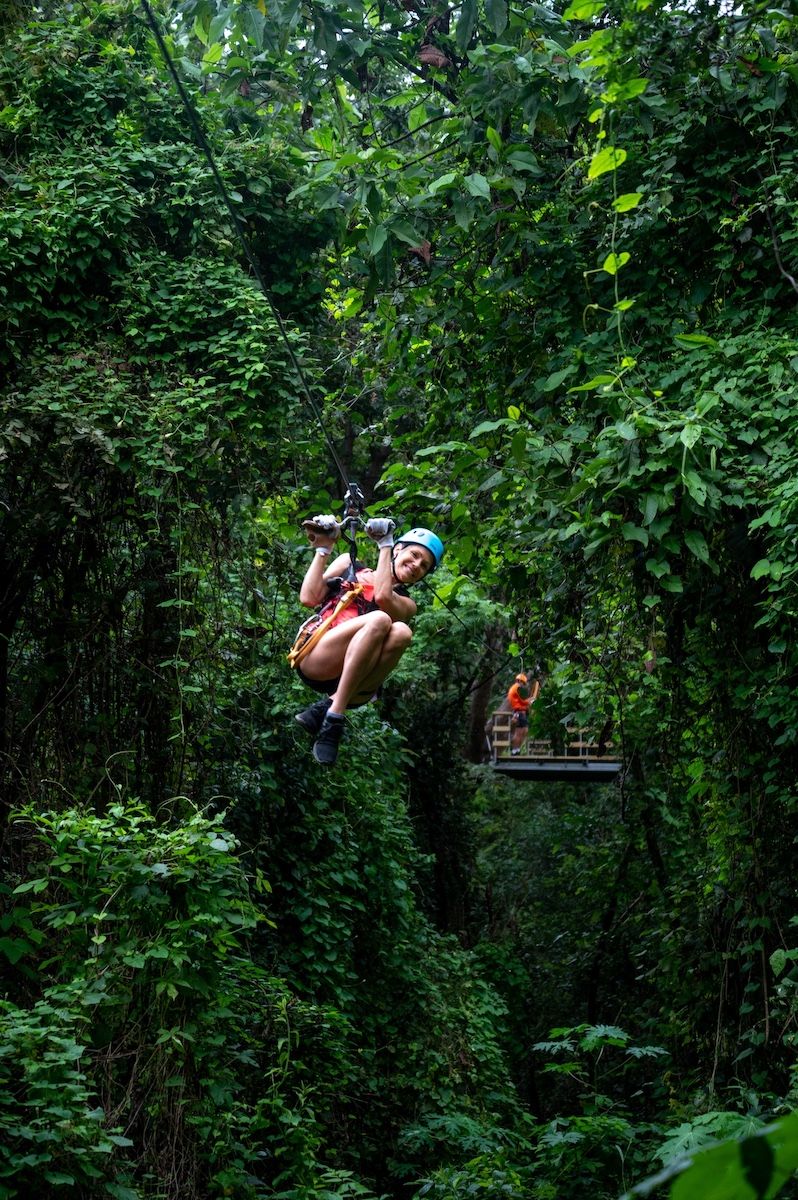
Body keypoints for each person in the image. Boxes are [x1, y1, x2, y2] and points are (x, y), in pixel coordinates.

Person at [291, 514, 445, 766]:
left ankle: (331, 711)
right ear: (399, 549)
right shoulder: (350, 565)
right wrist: (323, 548)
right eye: (414, 555)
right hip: (318, 658)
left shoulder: (407, 605)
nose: (417, 565)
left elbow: (384, 597)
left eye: (424, 565)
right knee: (381, 621)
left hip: (356, 685)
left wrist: (384, 544)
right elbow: (309, 597)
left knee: (401, 632)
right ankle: (334, 717)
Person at [506, 672, 540, 755]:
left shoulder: (515, 688)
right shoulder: (516, 688)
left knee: (524, 731)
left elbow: (522, 701)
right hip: (519, 713)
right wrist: (530, 702)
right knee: (519, 732)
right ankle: (514, 750)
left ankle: (516, 749)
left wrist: (529, 701)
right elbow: (523, 701)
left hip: (521, 713)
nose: (523, 685)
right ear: (520, 681)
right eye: (523, 683)